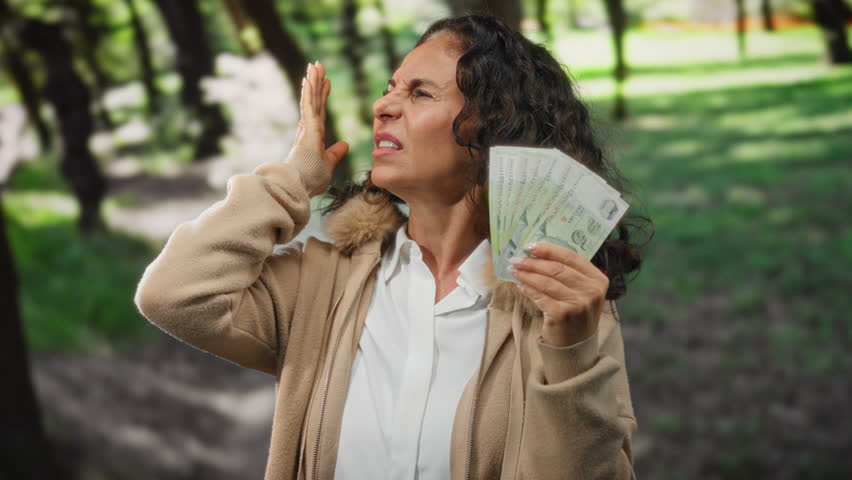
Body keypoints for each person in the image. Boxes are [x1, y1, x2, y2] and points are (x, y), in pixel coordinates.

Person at [135, 14, 647, 480]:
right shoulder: (323, 283)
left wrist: (572, 356)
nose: (383, 106)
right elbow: (173, 295)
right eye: (390, 89)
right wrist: (292, 179)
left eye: (420, 94)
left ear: (493, 128)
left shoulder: (566, 311)